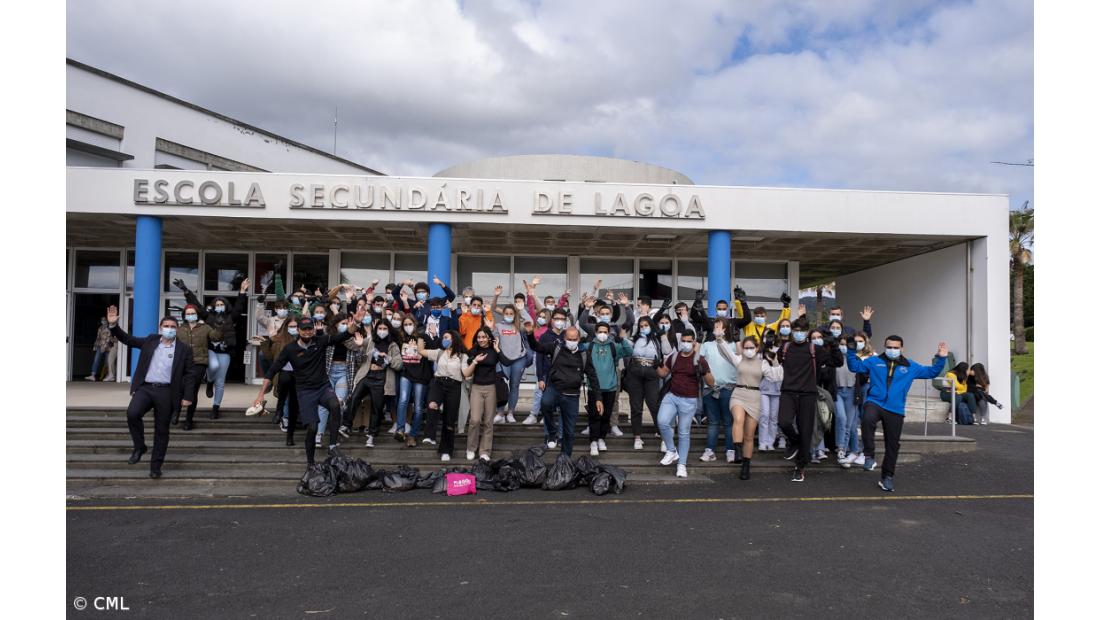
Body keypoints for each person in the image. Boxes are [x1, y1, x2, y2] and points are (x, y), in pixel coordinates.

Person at [253, 314, 359, 466]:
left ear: (314, 330)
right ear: (298, 331)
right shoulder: (290, 349)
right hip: (305, 392)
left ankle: (332, 446)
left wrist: (357, 322)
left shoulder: (320, 341)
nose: (307, 332)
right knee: (312, 427)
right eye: (304, 329)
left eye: (310, 329)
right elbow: (272, 371)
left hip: (323, 387)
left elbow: (344, 335)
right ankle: (310, 464)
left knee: (335, 405)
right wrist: (260, 395)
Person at [846, 336, 948, 491]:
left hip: (895, 408)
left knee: (892, 445)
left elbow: (931, 372)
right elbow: (855, 367)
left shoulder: (911, 366)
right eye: (889, 347)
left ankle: (887, 477)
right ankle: (869, 456)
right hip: (875, 401)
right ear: (884, 347)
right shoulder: (874, 361)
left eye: (895, 348)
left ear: (902, 349)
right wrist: (851, 350)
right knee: (867, 418)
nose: (892, 350)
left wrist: (941, 358)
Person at [105, 305, 195, 479]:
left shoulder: (184, 349)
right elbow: (128, 340)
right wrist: (113, 326)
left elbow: (190, 374)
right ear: (160, 328)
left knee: (162, 430)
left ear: (177, 329)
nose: (169, 329)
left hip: (167, 392)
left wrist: (188, 396)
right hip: (145, 388)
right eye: (166, 326)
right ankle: (139, 447)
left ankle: (156, 466)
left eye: (172, 327)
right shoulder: (150, 341)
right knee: (132, 413)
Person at [776, 317, 843, 482]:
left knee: (806, 430)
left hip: (808, 394)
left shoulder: (815, 349)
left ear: (807, 332)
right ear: (792, 332)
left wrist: (834, 344)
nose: (798, 333)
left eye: (802, 331)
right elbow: (779, 361)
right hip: (788, 392)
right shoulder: (785, 348)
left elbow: (838, 362)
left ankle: (800, 467)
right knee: (784, 422)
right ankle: (795, 441)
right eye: (796, 330)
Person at [176, 277, 248, 419]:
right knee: (213, 366)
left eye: (222, 304)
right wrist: (186, 291)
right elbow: (196, 304)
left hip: (225, 352)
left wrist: (242, 291)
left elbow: (239, 307)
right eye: (217, 304)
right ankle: (209, 381)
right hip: (210, 350)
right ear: (214, 306)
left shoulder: (231, 318)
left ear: (226, 306)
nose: (219, 306)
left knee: (220, 382)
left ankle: (215, 407)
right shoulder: (208, 317)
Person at [526, 325, 600, 456]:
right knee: (545, 403)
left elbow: (593, 376)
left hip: (572, 395)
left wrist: (598, 398)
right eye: (569, 339)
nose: (572, 341)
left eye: (574, 339)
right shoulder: (556, 347)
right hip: (555, 389)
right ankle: (552, 432)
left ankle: (565, 458)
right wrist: (530, 334)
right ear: (564, 338)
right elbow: (537, 347)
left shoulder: (584, 354)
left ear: (579, 339)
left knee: (569, 431)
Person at [655, 330, 715, 478]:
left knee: (683, 432)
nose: (686, 343)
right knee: (662, 421)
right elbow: (663, 373)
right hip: (672, 396)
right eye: (684, 340)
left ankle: (681, 465)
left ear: (694, 342)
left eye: (689, 341)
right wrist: (656, 365)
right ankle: (671, 450)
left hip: (689, 400)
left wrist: (703, 371)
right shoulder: (674, 356)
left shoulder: (700, 360)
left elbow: (711, 383)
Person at [729, 336, 784, 480]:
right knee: (738, 419)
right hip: (738, 393)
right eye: (746, 348)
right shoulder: (738, 359)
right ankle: (737, 450)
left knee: (749, 435)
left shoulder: (763, 363)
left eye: (751, 347)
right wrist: (720, 338)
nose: (748, 350)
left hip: (754, 396)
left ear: (757, 348)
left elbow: (776, 377)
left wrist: (775, 361)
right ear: (742, 348)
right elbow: (725, 352)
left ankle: (746, 465)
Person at [418, 329, 469, 461]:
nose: (444, 339)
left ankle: (446, 450)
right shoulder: (439, 352)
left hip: (454, 386)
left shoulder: (463, 356)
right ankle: (430, 436)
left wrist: (474, 363)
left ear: (454, 339)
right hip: (438, 383)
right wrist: (421, 336)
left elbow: (466, 373)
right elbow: (421, 351)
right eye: (443, 337)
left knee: (449, 420)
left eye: (447, 337)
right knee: (432, 404)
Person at [585, 321, 632, 456]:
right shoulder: (590, 346)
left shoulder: (613, 346)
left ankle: (601, 439)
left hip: (610, 387)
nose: (602, 334)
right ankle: (593, 441)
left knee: (606, 415)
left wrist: (622, 340)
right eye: (600, 332)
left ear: (609, 333)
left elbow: (629, 351)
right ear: (595, 333)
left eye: (605, 332)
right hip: (594, 387)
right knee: (595, 415)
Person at [697, 318, 739, 464]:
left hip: (728, 388)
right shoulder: (707, 345)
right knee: (713, 422)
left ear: (726, 329)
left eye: (720, 327)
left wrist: (737, 340)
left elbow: (742, 357)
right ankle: (710, 450)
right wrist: (698, 341)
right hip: (710, 389)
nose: (717, 329)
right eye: (715, 327)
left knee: (728, 421)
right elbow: (696, 358)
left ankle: (731, 450)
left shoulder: (732, 345)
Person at [174, 304, 220, 430]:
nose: (190, 315)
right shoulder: (180, 329)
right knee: (179, 389)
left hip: (199, 363)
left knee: (192, 391)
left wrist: (219, 325)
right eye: (188, 313)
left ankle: (189, 420)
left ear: (197, 314)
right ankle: (176, 412)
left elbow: (216, 337)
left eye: (193, 313)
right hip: (182, 363)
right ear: (184, 316)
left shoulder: (205, 327)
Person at [622, 315, 663, 450]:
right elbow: (623, 342)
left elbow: (666, 352)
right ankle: (637, 437)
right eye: (641, 326)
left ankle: (663, 435)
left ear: (651, 326)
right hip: (635, 372)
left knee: (654, 404)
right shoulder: (634, 340)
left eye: (646, 325)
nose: (644, 328)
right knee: (636, 406)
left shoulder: (657, 339)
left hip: (651, 372)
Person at [393, 315, 433, 447]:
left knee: (418, 406)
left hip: (421, 375)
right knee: (403, 400)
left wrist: (430, 338)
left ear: (415, 324)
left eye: (410, 324)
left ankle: (413, 435)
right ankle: (400, 430)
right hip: (406, 373)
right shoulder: (401, 338)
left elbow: (433, 347)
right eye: (405, 324)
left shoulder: (423, 337)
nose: (408, 327)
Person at [463, 326, 501, 461]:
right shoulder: (474, 350)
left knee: (488, 421)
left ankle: (485, 451)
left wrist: (497, 349)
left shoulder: (493, 351)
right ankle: (471, 448)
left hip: (491, 388)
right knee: (475, 420)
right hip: (476, 387)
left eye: (484, 337)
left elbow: (506, 362)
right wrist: (475, 360)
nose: (481, 339)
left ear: (489, 337)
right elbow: (467, 364)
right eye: (479, 337)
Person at [490, 301, 528, 424]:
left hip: (519, 359)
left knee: (514, 386)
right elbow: (493, 338)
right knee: (501, 386)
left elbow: (530, 323)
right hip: (503, 360)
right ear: (503, 314)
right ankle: (500, 413)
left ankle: (510, 413)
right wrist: (491, 328)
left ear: (515, 314)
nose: (509, 315)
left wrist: (521, 310)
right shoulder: (498, 326)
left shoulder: (519, 325)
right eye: (506, 313)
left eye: (511, 313)